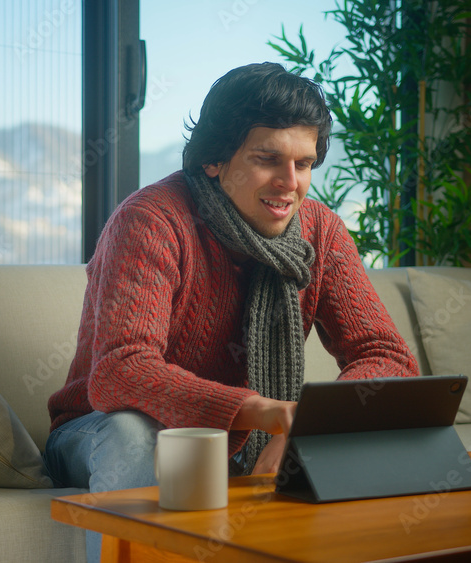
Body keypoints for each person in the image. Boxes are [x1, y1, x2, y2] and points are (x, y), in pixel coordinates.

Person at [44, 61, 418, 559]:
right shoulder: (152, 220)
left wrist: (313, 423)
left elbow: (388, 355)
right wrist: (262, 412)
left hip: (239, 437)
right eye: (268, 159)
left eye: (304, 164)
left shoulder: (320, 231)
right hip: (97, 428)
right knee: (136, 432)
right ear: (215, 159)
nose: (290, 183)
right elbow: (120, 373)